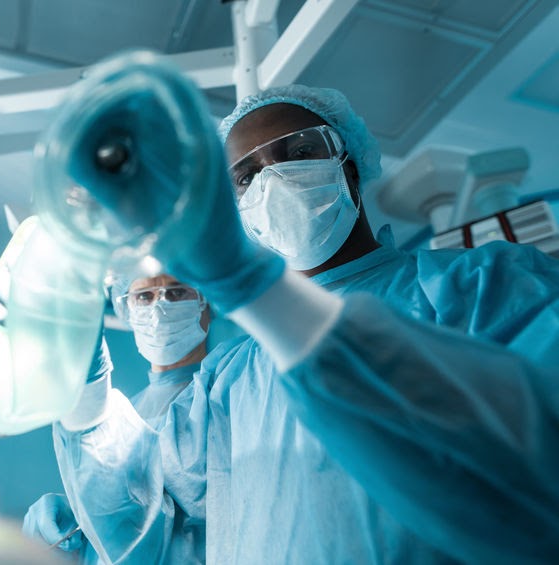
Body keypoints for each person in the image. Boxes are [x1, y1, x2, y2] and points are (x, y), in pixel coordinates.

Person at [48, 81, 559, 564]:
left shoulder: (485, 283)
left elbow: (533, 466)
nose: (272, 178)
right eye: (246, 176)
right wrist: (83, 387)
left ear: (350, 169)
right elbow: (146, 526)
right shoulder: (227, 379)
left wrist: (261, 294)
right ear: (240, 210)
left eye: (297, 153)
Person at [22, 274, 210, 563]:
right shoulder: (121, 416)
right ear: (125, 307)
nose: (159, 307)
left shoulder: (226, 392)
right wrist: (79, 517)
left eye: (176, 292)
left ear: (205, 300)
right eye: (144, 296)